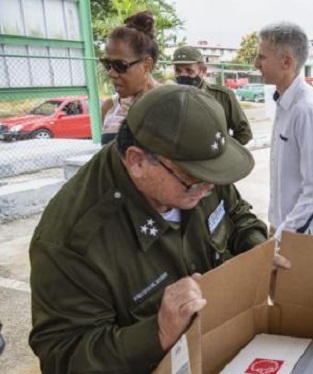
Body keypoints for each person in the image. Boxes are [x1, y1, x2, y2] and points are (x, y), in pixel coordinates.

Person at [29, 85, 280, 373]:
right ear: (137, 161)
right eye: (193, 179)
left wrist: (255, 247)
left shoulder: (196, 169)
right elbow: (62, 356)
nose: (209, 187)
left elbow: (235, 213)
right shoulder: (72, 241)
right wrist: (157, 333)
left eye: (213, 175)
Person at [254, 22, 313, 241]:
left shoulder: (307, 111)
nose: (256, 64)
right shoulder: (285, 102)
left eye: (262, 57)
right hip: (286, 226)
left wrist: (281, 237)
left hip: (302, 233)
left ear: (287, 62)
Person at [100, 10, 160, 145]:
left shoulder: (169, 104)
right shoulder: (109, 107)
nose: (111, 73)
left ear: (147, 64)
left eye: (120, 65)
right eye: (107, 64)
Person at [172, 46, 253, 145]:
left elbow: (244, 133)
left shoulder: (223, 96)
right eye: (178, 71)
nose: (183, 76)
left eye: (189, 71)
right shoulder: (170, 98)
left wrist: (223, 151)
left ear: (203, 71)